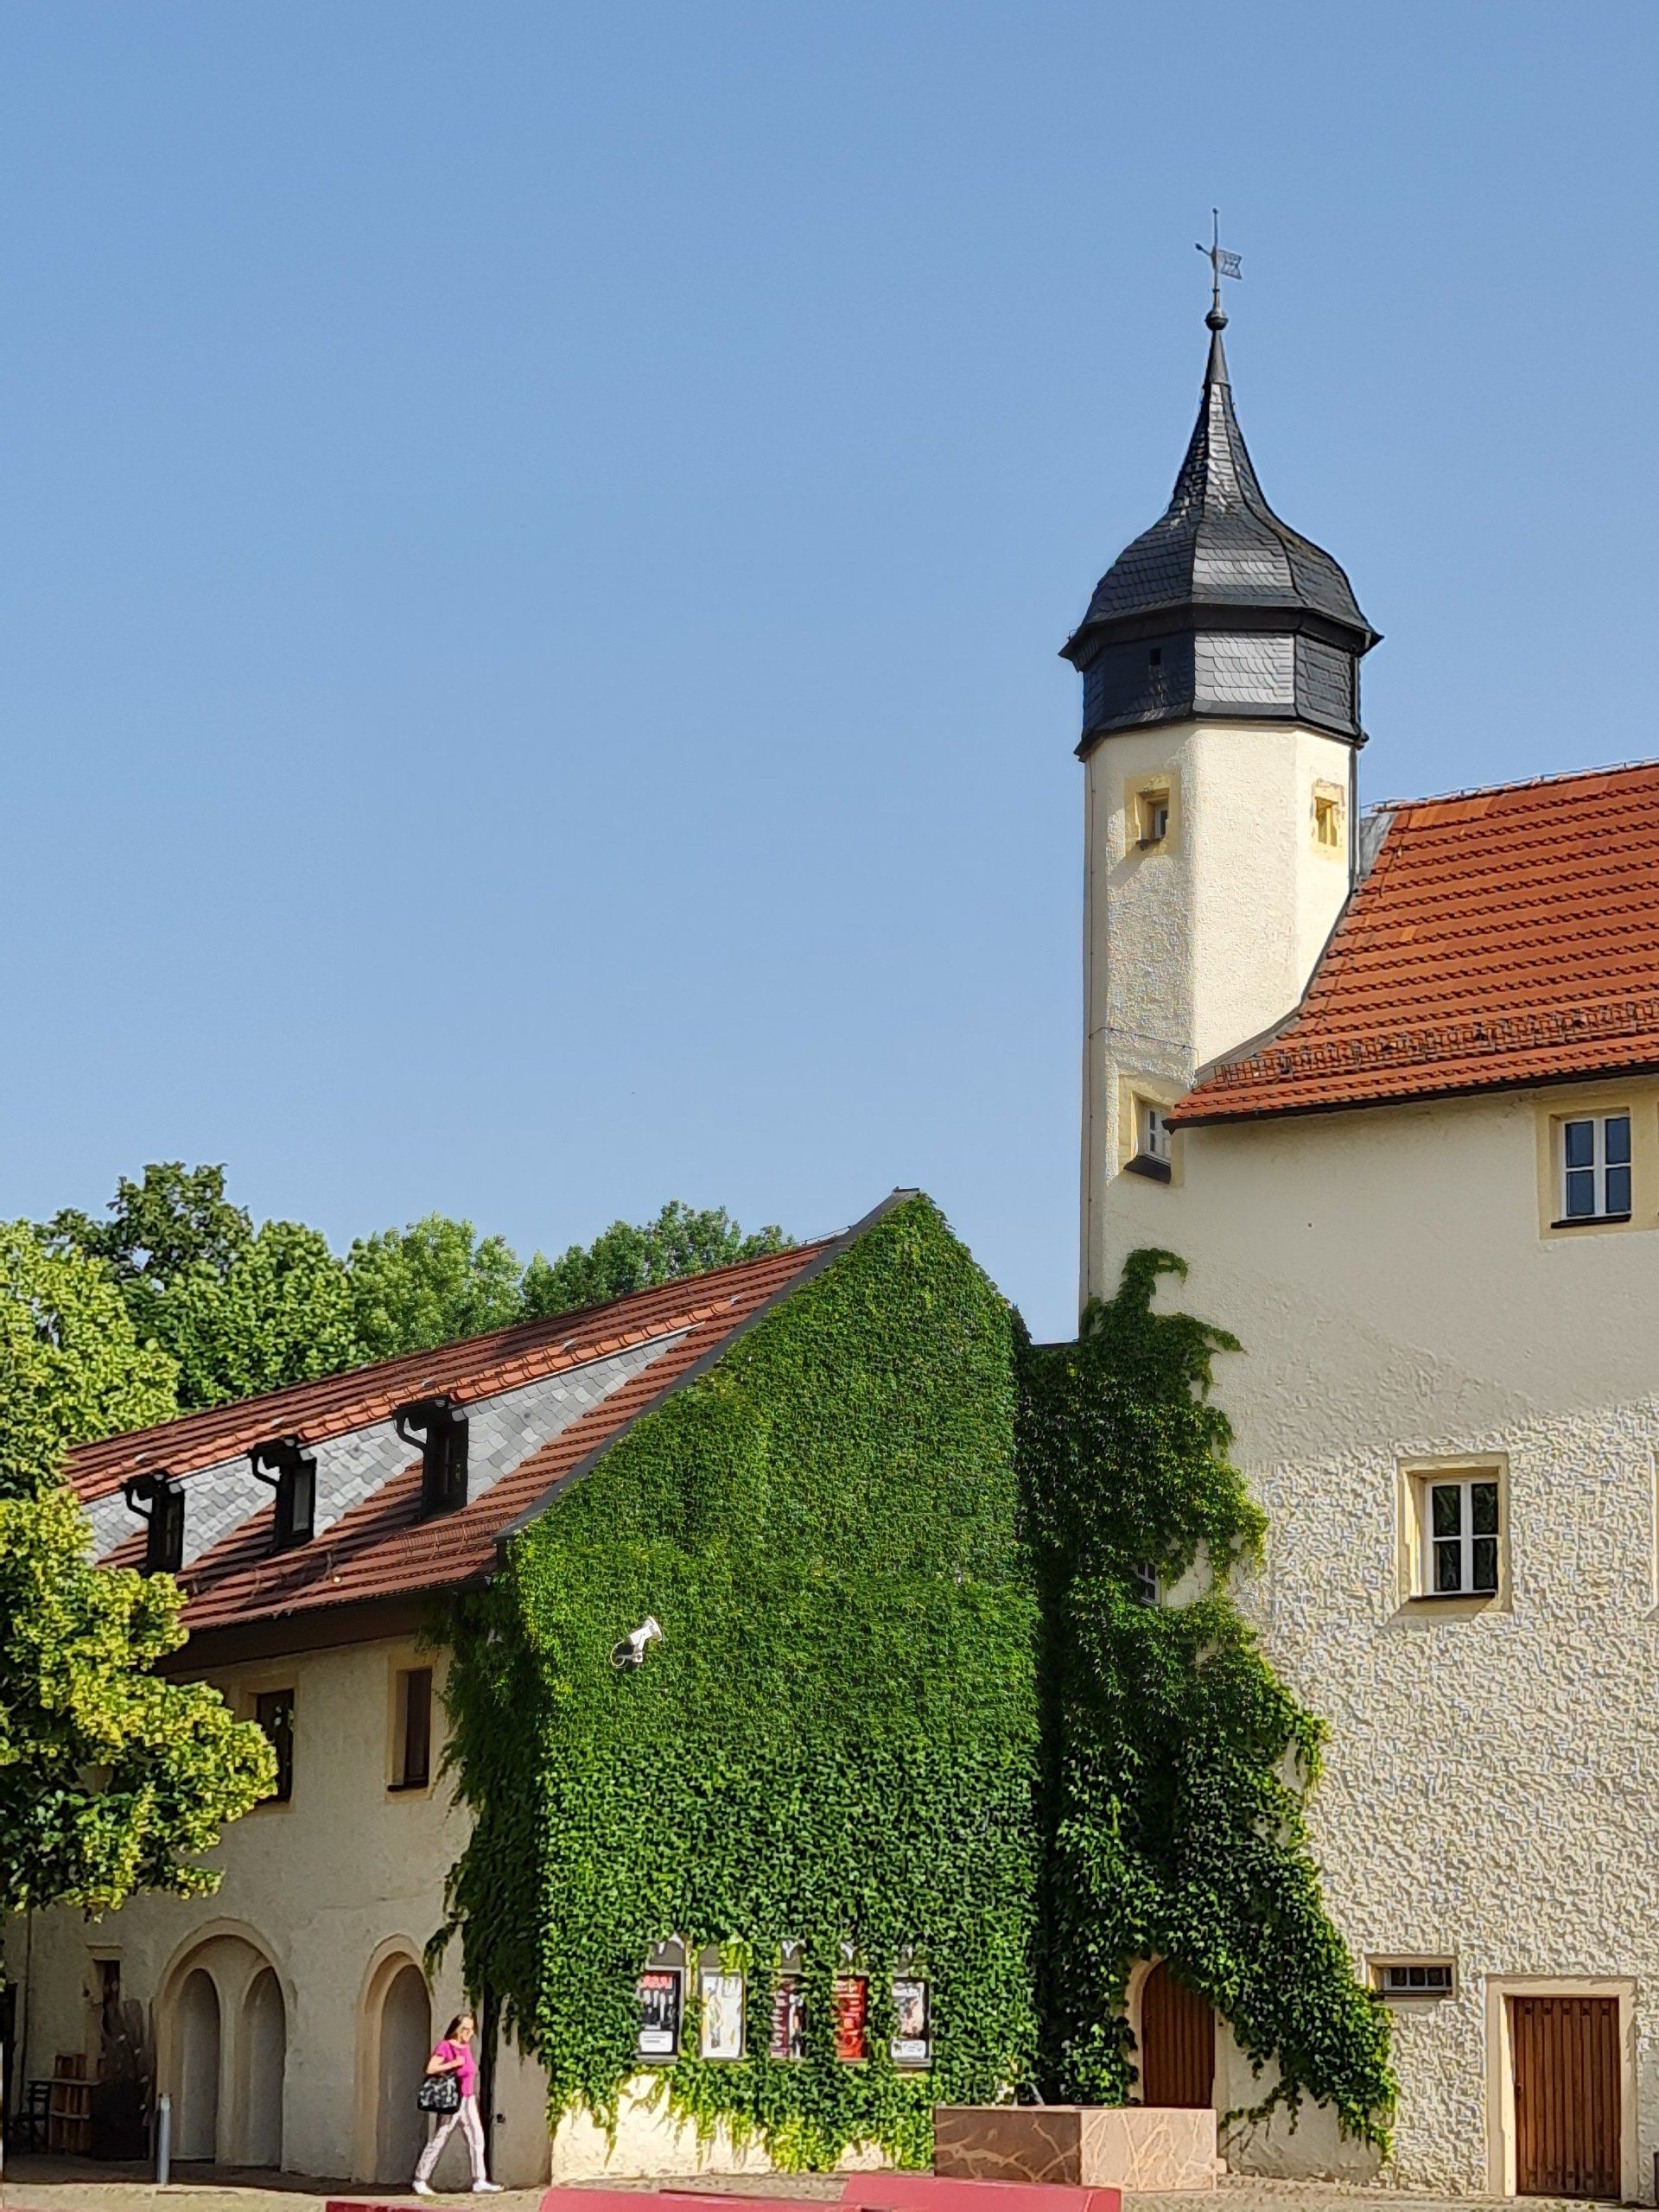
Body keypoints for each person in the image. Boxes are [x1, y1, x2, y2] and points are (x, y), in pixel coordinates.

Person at [412, 2011, 501, 2196]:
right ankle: (420, 2179)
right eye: (465, 2030)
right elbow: (430, 2068)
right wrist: (453, 2063)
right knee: (439, 2138)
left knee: (477, 2138)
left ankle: (479, 2180)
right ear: (457, 2029)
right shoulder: (446, 2046)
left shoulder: (466, 2048)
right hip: (453, 2100)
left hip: (468, 2100)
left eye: (471, 2030)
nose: (469, 2034)